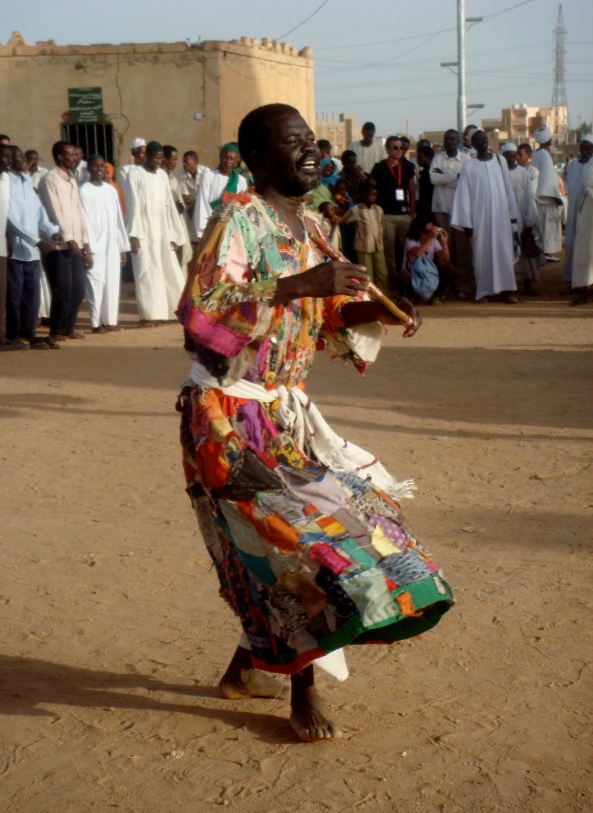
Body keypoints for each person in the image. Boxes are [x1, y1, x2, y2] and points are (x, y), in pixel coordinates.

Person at [176, 102, 453, 743]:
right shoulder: (238, 218)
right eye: (294, 141)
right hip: (227, 417)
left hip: (284, 418)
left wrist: (378, 313)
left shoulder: (308, 227)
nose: (310, 150)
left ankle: (249, 668)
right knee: (300, 549)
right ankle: (302, 689)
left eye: (312, 141)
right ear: (255, 157)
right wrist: (296, 287)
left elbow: (329, 318)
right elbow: (201, 311)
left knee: (357, 534)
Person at [451, 130, 519, 303]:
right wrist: (466, 222)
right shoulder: (469, 166)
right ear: (473, 144)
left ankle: (507, 291)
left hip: (501, 216)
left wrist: (512, 214)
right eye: (479, 140)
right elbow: (463, 196)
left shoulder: (500, 160)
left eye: (484, 139)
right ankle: (484, 292)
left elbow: (507, 188)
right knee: (482, 254)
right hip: (480, 218)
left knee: (504, 252)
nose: (483, 142)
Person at [125, 140, 185, 326]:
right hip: (143, 230)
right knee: (146, 272)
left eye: (161, 158)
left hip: (162, 230)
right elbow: (132, 204)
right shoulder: (134, 174)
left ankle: (166, 312)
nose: (158, 162)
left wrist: (175, 234)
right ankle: (147, 316)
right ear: (146, 156)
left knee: (166, 271)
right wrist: (133, 234)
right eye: (155, 158)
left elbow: (169, 207)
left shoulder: (161, 176)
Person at [6, 145, 60, 349]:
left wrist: (52, 230)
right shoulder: (6, 184)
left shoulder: (26, 182)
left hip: (33, 252)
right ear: (9, 160)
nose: (24, 160)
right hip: (14, 250)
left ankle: (29, 334)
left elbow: (39, 212)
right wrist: (35, 240)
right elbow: (10, 220)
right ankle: (12, 336)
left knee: (32, 296)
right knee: (14, 296)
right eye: (19, 156)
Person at [38, 141, 90, 343]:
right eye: (70, 154)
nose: (75, 157)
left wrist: (84, 240)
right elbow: (54, 210)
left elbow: (78, 211)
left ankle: (68, 327)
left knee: (78, 287)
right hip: (58, 244)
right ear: (60, 157)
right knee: (62, 288)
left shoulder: (71, 179)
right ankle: (56, 330)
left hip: (75, 242)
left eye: (76, 154)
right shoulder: (50, 179)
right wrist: (68, 237)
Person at [0, 143, 27, 353]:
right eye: (4, 157)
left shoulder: (6, 179)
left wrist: (9, 237)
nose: (9, 161)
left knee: (0, 297)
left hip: (0, 246)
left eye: (11, 157)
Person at [79, 155, 130, 333]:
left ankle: (109, 321)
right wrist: (87, 248)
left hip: (112, 244)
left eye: (102, 166)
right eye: (95, 166)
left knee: (112, 282)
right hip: (94, 246)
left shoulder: (111, 191)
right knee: (95, 283)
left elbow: (118, 220)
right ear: (89, 169)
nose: (99, 169)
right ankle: (95, 323)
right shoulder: (84, 190)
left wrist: (122, 247)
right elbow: (83, 221)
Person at [370, 135, 416, 296]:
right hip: (387, 216)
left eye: (401, 148)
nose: (399, 151)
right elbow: (372, 190)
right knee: (389, 253)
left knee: (407, 252)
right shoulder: (380, 168)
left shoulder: (409, 166)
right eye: (395, 148)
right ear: (388, 149)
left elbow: (412, 190)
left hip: (404, 216)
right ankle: (393, 287)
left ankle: (409, 286)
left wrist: (412, 211)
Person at [430, 128, 472, 299]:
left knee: (462, 251)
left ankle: (462, 287)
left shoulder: (466, 159)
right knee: (444, 250)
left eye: (453, 139)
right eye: (447, 139)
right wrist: (455, 177)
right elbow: (433, 178)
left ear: (459, 140)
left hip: (461, 210)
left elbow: (467, 180)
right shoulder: (438, 157)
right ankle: (444, 289)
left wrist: (445, 177)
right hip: (441, 209)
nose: (450, 142)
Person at [501, 143, 539, 295]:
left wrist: (529, 221)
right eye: (508, 156)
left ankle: (527, 284)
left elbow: (528, 198)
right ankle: (509, 287)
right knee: (507, 253)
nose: (511, 158)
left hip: (520, 220)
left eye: (513, 155)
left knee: (523, 254)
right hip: (503, 220)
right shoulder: (499, 172)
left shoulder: (523, 173)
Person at [192, 143, 248, 239]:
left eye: (232, 159)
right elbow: (202, 203)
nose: (228, 161)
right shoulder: (208, 176)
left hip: (233, 228)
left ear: (236, 162)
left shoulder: (241, 181)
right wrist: (202, 231)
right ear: (220, 158)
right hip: (211, 226)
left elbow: (243, 206)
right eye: (225, 158)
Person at [340, 182, 387, 293]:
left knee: (382, 273)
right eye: (371, 195)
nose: (373, 198)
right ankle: (369, 298)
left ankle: (384, 297)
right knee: (367, 275)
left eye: (375, 195)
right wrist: (355, 231)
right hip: (363, 246)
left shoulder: (378, 209)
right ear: (364, 195)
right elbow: (345, 220)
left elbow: (382, 224)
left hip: (378, 245)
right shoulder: (357, 210)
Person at [531, 126, 563, 264]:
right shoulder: (544, 155)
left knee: (541, 226)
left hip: (537, 194)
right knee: (548, 225)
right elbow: (549, 178)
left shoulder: (535, 153)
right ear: (548, 139)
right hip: (546, 196)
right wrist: (555, 197)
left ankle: (543, 252)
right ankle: (547, 252)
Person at [564, 135, 593, 288]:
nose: (585, 151)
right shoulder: (573, 165)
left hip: (588, 211)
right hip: (574, 209)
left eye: (588, 148)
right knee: (570, 243)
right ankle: (570, 278)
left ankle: (585, 282)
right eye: (583, 148)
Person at [403, 215, 452, 305]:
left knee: (447, 269)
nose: (429, 234)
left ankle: (435, 297)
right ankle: (410, 299)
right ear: (419, 230)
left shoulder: (433, 241)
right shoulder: (411, 240)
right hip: (413, 274)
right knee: (404, 275)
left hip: (428, 274)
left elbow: (446, 258)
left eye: (431, 231)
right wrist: (432, 238)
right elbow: (418, 253)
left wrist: (444, 242)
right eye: (427, 231)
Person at [163, 145, 192, 273]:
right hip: (166, 222)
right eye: (173, 160)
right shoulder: (160, 177)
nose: (175, 163)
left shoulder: (172, 177)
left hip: (177, 220)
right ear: (164, 159)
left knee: (181, 256)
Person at [178, 150, 209, 248]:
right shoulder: (182, 175)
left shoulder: (206, 173)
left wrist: (195, 199)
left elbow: (207, 193)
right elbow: (183, 193)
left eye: (186, 162)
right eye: (183, 161)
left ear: (195, 162)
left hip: (203, 204)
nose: (184, 164)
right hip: (189, 205)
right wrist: (187, 198)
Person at [416, 145, 434, 220]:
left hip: (429, 209)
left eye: (420, 157)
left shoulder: (430, 174)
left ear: (428, 157)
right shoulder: (422, 173)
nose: (418, 160)